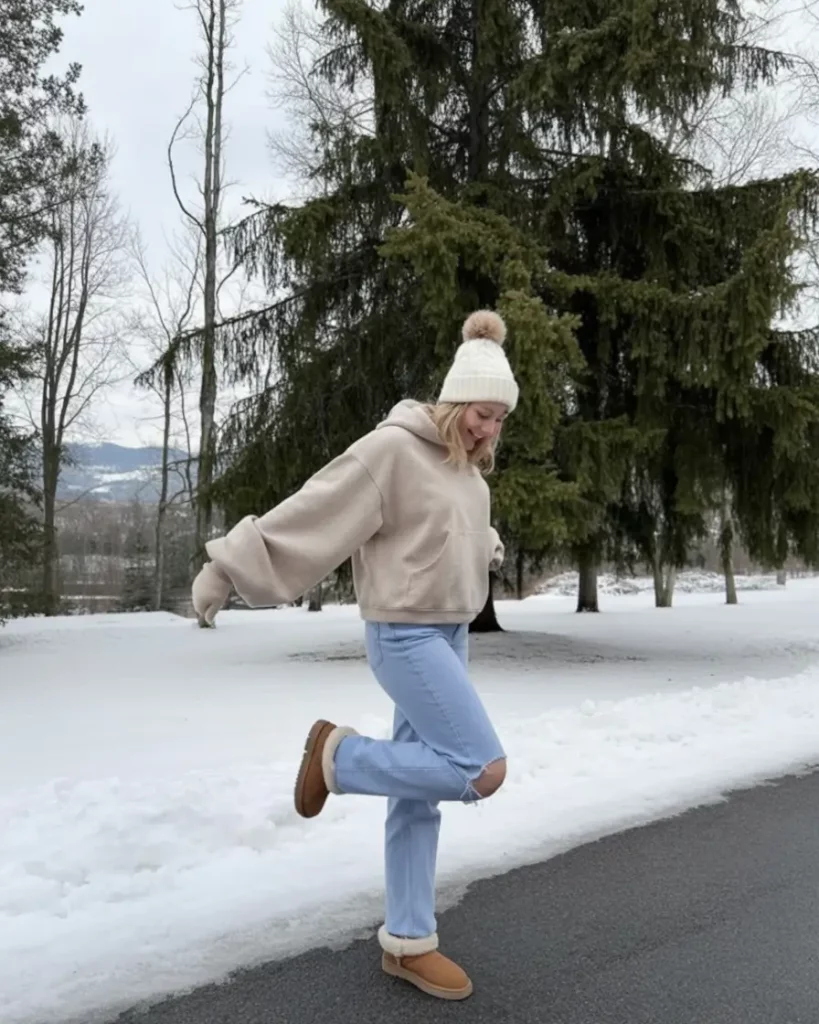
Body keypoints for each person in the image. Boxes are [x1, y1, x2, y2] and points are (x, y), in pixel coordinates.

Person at [192, 309, 518, 1001]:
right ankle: (337, 756)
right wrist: (228, 566)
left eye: (498, 419)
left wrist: (483, 546)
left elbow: (456, 529)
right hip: (404, 637)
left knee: (416, 792)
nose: (488, 430)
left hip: (450, 633)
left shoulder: (470, 475)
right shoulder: (391, 450)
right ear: (456, 399)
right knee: (479, 768)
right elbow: (315, 509)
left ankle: (407, 939)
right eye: (481, 414)